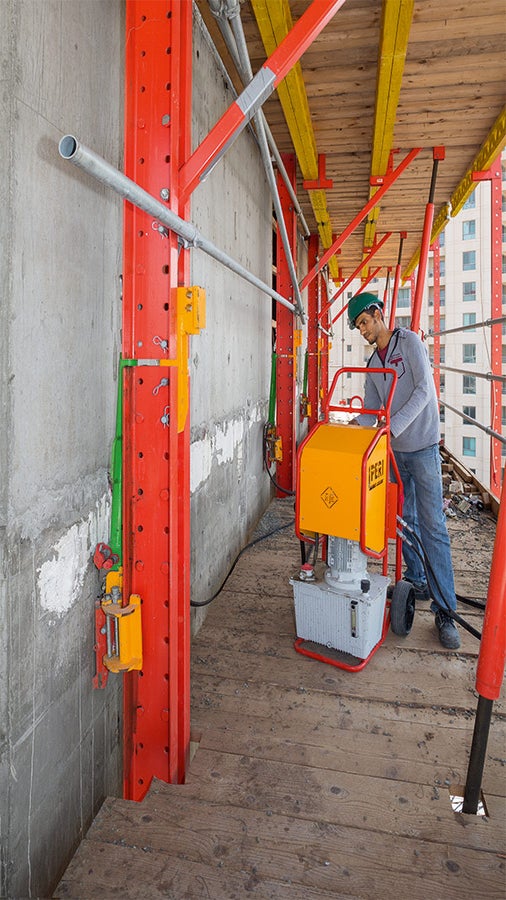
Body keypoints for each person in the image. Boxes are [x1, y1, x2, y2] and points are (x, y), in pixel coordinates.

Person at [348, 292, 460, 650]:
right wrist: (347, 428)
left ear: (379, 314)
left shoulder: (408, 342)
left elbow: (425, 390)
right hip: (395, 455)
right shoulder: (372, 365)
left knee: (432, 527)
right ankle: (418, 578)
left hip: (423, 448)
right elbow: (369, 412)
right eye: (358, 327)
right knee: (402, 519)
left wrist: (392, 427)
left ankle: (446, 611)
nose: (362, 330)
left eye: (364, 322)